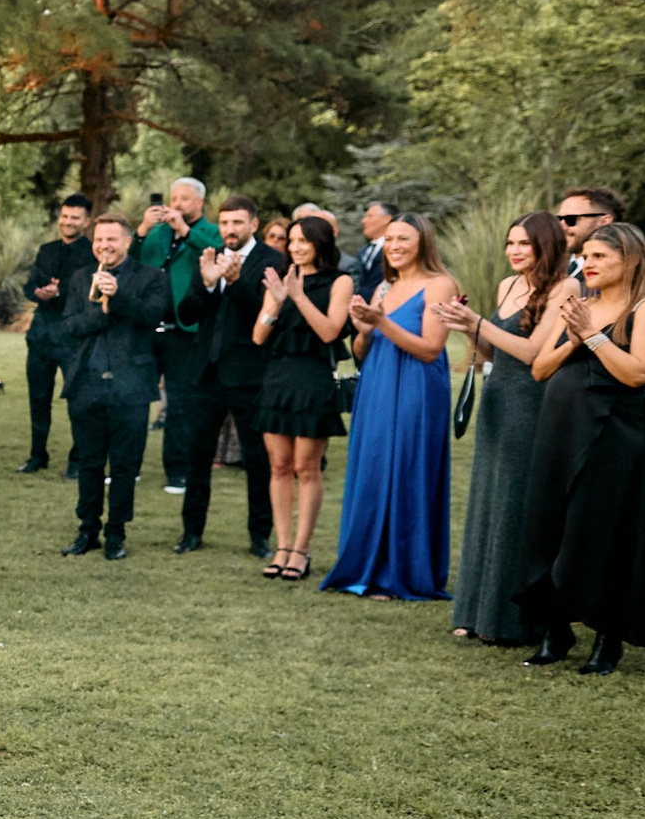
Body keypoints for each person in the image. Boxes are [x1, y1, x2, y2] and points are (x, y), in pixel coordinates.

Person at [517, 222, 645, 674]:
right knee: (551, 523)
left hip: (615, 435)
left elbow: (640, 374)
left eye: (600, 256)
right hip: (561, 429)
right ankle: (554, 628)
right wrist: (574, 341)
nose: (589, 264)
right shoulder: (581, 305)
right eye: (586, 256)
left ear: (632, 260)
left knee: (605, 529)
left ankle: (609, 635)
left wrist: (595, 338)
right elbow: (540, 370)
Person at [437, 214, 565, 644]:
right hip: (496, 400)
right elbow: (495, 349)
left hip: (530, 404)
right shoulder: (508, 286)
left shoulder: (564, 288)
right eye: (510, 242)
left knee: (515, 504)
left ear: (544, 246)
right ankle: (476, 612)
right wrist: (466, 327)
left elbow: (532, 352)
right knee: (487, 502)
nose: (514, 251)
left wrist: (477, 323)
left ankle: (513, 620)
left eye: (524, 244)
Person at [322, 212, 456, 600]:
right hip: (377, 384)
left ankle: (402, 571)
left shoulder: (440, 285)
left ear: (423, 243)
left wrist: (381, 323)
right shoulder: (384, 285)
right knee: (375, 468)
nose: (395, 246)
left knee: (407, 467)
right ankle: (367, 564)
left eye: (404, 239)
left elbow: (431, 349)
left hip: (417, 386)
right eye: (390, 239)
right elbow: (364, 351)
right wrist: (364, 332)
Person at [55, 215, 172, 559]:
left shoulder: (153, 278)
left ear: (127, 242)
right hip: (87, 383)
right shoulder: (80, 278)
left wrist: (117, 297)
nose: (104, 246)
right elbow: (70, 326)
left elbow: (152, 317)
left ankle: (116, 533)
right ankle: (87, 530)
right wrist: (100, 312)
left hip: (131, 385)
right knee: (89, 463)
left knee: (124, 465)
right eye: (99, 240)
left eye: (112, 239)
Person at [171, 193, 281, 555]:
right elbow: (185, 314)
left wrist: (234, 284)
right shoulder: (209, 256)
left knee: (257, 459)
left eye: (237, 223)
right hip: (205, 373)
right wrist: (205, 285)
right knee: (197, 456)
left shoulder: (272, 261)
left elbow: (265, 316)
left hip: (249, 375)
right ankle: (191, 533)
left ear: (254, 225)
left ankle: (260, 537)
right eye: (224, 223)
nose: (229, 230)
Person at [251, 214, 354, 583]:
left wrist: (298, 296)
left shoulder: (339, 281)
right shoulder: (280, 280)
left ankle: (301, 550)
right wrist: (276, 304)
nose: (294, 247)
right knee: (278, 465)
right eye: (291, 240)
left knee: (306, 467)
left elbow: (330, 332)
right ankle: (281, 546)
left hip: (313, 379)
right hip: (278, 378)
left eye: (303, 241)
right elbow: (259, 337)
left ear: (320, 244)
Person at [136, 176, 223, 495]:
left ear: (200, 202)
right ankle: (128, 466)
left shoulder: (209, 231)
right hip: (148, 330)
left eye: (185, 199)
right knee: (136, 399)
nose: (177, 204)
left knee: (181, 402)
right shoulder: (157, 233)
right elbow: (131, 259)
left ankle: (177, 471)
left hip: (184, 333)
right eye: (174, 198)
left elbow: (216, 252)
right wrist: (143, 229)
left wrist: (185, 231)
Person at [19, 194, 94, 475]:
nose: (67, 222)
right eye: (64, 216)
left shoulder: (92, 253)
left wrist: (59, 292)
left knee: (78, 400)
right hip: (41, 337)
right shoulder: (47, 250)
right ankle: (38, 455)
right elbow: (29, 285)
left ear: (86, 222)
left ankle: (78, 460)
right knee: (38, 400)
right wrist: (38, 292)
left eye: (75, 217)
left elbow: (89, 294)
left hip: (73, 338)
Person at [555, 187, 625, 275]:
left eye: (571, 219)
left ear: (604, 221)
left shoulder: (617, 274)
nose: (562, 227)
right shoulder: (552, 271)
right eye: (559, 219)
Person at [351, 199, 399, 300]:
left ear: (387, 219)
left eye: (370, 216)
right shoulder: (363, 251)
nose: (363, 221)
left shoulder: (397, 251)